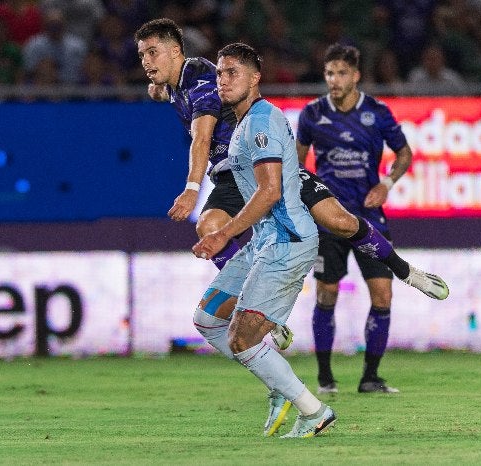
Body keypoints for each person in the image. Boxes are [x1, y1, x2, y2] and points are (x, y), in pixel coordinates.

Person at [133, 19, 448, 319]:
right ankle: (255, 308)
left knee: (342, 223)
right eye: (142, 55)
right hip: (231, 177)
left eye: (152, 52)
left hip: (264, 165)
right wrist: (161, 91)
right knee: (209, 226)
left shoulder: (202, 80)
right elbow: (170, 93)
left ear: (176, 50)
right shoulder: (175, 85)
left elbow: (201, 140)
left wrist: (191, 189)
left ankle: (407, 271)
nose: (145, 61)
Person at [190, 42, 336, 438]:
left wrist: (223, 232)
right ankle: (278, 384)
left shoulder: (261, 121)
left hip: (287, 242)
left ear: (255, 78)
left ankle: (313, 410)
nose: (223, 80)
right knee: (207, 318)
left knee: (241, 337)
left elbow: (270, 191)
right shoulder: (243, 123)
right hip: (262, 243)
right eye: (220, 73)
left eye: (233, 71)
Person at [296, 43, 448, 395]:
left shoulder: (377, 113)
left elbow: (405, 153)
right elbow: (297, 163)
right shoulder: (312, 114)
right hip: (329, 220)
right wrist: (310, 199)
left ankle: (370, 378)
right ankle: (325, 378)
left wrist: (387, 182)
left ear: (356, 75)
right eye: (330, 73)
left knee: (382, 294)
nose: (334, 80)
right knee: (326, 294)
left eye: (341, 73)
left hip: (368, 217)